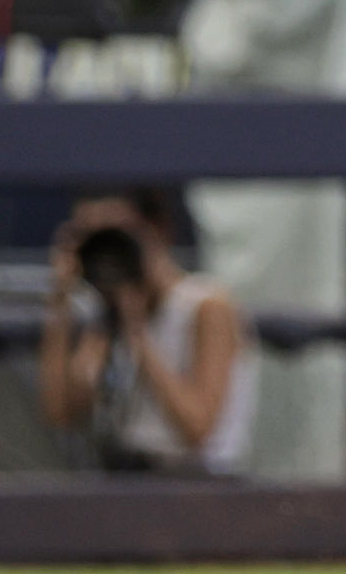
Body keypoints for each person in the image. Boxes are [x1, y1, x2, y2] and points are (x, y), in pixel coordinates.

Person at [38, 194, 252, 476]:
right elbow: (60, 412)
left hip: (195, 485)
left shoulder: (204, 304)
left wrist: (138, 334)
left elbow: (198, 429)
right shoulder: (103, 316)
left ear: (157, 230)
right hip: (126, 481)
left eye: (116, 234)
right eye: (93, 237)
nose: (108, 251)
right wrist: (60, 300)